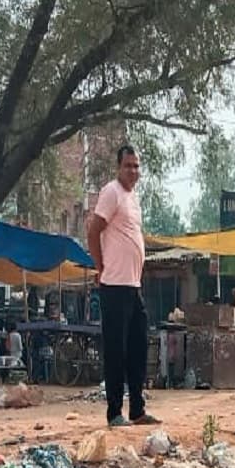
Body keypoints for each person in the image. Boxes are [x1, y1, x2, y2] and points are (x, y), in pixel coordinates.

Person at [87, 145, 161, 427]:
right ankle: (114, 412)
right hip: (114, 285)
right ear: (118, 167)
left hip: (133, 285)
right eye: (128, 165)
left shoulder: (133, 198)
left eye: (136, 166)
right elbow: (93, 231)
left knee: (138, 348)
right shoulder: (112, 192)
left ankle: (137, 409)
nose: (133, 171)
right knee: (116, 351)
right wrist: (100, 266)